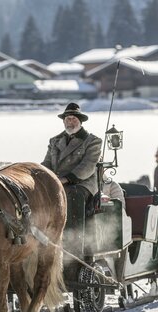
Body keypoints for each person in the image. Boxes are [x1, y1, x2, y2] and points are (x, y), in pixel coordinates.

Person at [42, 102, 102, 252]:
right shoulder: (55, 141)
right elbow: (47, 162)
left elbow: (87, 167)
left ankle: (74, 245)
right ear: (63, 121)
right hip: (57, 181)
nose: (70, 121)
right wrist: (39, 174)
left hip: (82, 183)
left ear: (80, 121)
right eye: (68, 119)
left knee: (73, 194)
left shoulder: (92, 141)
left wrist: (66, 179)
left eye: (74, 119)